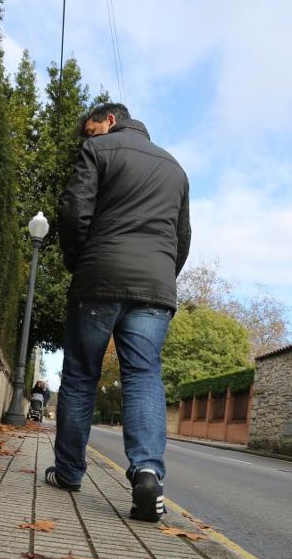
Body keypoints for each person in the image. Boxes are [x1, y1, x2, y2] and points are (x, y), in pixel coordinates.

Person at [43, 103, 191, 522]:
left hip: (99, 278)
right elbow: (182, 238)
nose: (90, 139)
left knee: (79, 375)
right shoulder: (176, 169)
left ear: (110, 120)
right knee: (144, 376)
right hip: (155, 288)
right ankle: (147, 472)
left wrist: (81, 261)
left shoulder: (99, 151)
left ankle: (70, 472)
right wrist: (160, 276)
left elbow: (73, 213)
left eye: (92, 130)